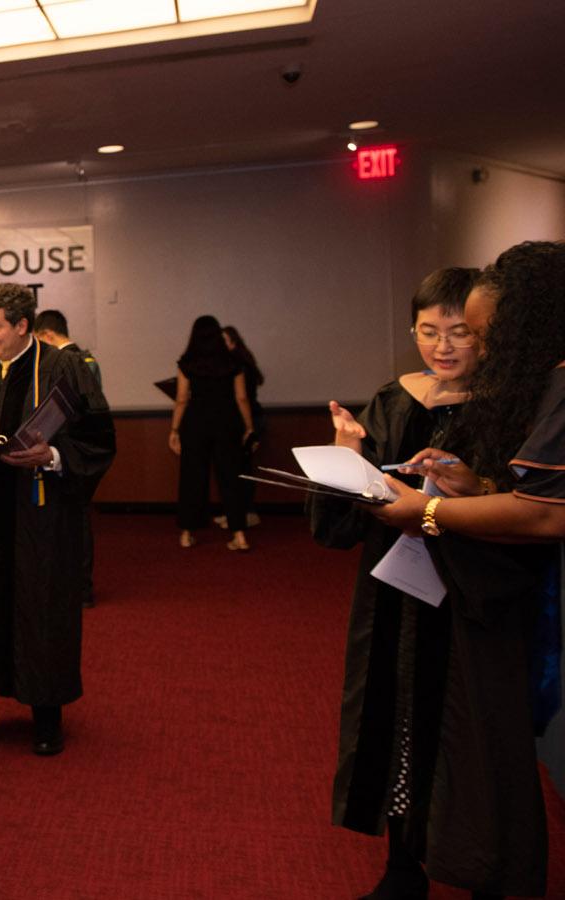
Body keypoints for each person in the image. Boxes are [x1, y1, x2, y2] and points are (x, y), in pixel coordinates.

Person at [356, 241, 565, 899]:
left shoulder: (553, 383)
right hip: (477, 589)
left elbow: (542, 515)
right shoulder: (402, 397)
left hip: (521, 595)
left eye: (478, 334)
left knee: (500, 744)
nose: (465, 346)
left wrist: (431, 512)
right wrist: (471, 488)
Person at [306, 267, 482, 900]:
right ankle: (403, 865)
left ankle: (476, 865)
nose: (442, 346)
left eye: (459, 332)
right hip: (393, 593)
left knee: (466, 732)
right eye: (429, 331)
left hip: (472, 599)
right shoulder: (395, 397)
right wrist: (344, 457)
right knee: (399, 721)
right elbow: (339, 528)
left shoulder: (508, 402)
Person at [0, 283, 115, 756]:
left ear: (22, 326)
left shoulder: (63, 367)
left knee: (40, 609)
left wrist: (53, 454)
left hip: (40, 516)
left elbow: (98, 438)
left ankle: (46, 718)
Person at [32, 309, 109, 608]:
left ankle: (81, 588)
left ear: (47, 336)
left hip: (72, 449)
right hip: (70, 450)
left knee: (76, 522)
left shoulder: (73, 362)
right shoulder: (85, 359)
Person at [169, 315, 256, 551]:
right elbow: (241, 398)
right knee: (231, 479)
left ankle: (187, 534)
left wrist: (174, 430)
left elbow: (181, 399)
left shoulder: (187, 364)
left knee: (191, 479)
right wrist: (249, 427)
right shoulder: (232, 363)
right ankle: (239, 536)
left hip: (195, 423)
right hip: (227, 423)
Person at [219, 325, 264, 529]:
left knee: (240, 470)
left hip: (246, 422)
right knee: (238, 470)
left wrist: (249, 428)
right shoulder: (241, 364)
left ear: (233, 343)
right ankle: (237, 513)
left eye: (224, 342)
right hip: (246, 421)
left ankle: (245, 513)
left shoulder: (238, 367)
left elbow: (242, 398)